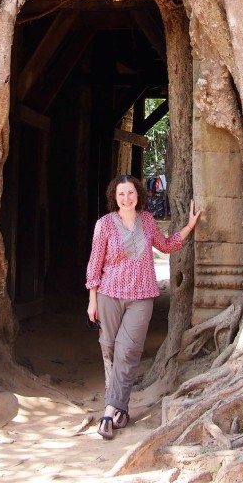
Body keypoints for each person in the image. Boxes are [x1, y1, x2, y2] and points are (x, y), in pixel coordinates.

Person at [86, 174, 201, 440]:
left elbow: (167, 245)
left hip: (142, 295)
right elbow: (95, 264)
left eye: (131, 193)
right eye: (121, 195)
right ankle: (120, 408)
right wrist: (92, 300)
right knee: (110, 349)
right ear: (114, 198)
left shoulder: (147, 221)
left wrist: (190, 226)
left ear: (139, 195)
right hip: (108, 294)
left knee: (128, 351)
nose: (126, 199)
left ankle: (109, 409)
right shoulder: (104, 225)